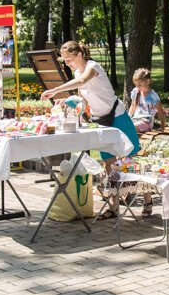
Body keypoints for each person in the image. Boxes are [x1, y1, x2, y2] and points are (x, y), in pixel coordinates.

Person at [42, 41, 142, 219]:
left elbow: (82, 81)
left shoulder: (92, 67)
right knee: (109, 164)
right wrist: (68, 101)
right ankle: (114, 207)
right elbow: (84, 100)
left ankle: (147, 199)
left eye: (69, 59)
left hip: (117, 116)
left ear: (80, 55)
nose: (68, 64)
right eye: (65, 61)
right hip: (101, 120)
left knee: (129, 159)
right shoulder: (76, 73)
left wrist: (56, 90)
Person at [128, 68, 161, 134]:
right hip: (135, 119)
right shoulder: (136, 91)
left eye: (139, 85)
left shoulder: (153, 96)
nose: (137, 87)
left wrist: (162, 127)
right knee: (122, 126)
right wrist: (128, 118)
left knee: (131, 128)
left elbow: (161, 111)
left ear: (148, 81)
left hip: (146, 122)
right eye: (136, 85)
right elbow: (133, 105)